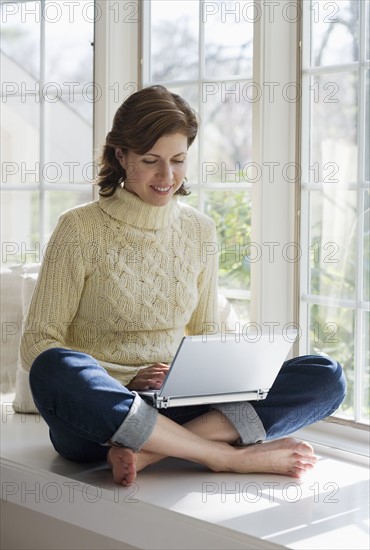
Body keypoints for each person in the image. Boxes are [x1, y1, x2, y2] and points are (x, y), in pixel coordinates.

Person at [21, 85, 346, 487]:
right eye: (151, 161)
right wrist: (122, 382)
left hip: (183, 404)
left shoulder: (199, 230)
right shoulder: (79, 228)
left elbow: (209, 333)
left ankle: (154, 450)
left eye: (178, 160)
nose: (167, 176)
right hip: (103, 412)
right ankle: (222, 456)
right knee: (55, 367)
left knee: (325, 375)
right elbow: (38, 341)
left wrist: (191, 375)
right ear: (121, 156)